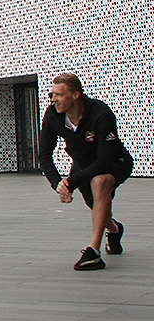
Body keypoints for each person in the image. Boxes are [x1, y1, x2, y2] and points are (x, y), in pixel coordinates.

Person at [38, 73, 133, 271]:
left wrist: (71, 182)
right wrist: (58, 184)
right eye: (51, 94)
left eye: (59, 95)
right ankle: (114, 229)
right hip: (82, 164)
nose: (53, 99)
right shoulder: (53, 115)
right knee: (97, 207)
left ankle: (93, 252)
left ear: (75, 95)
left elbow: (104, 161)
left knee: (100, 183)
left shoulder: (101, 114)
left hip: (114, 161)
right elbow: (44, 156)